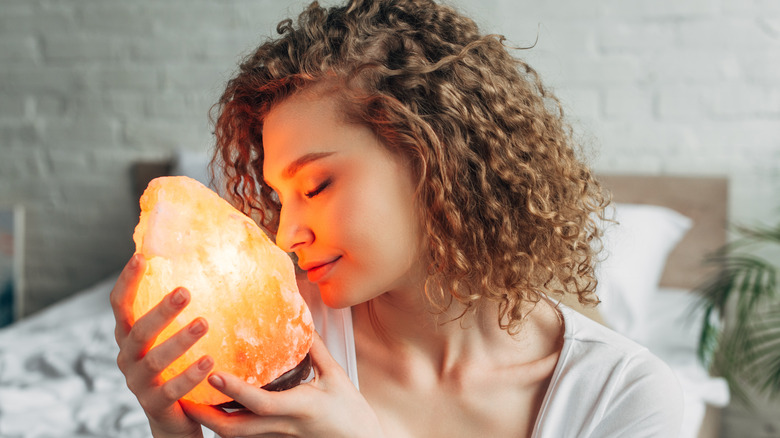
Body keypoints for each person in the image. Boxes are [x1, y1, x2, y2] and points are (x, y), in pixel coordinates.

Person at [111, 0, 684, 436]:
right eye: (280, 198)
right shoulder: (278, 347)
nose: (286, 235)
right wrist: (174, 430)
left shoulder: (625, 398)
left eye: (318, 184)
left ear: (435, 156)